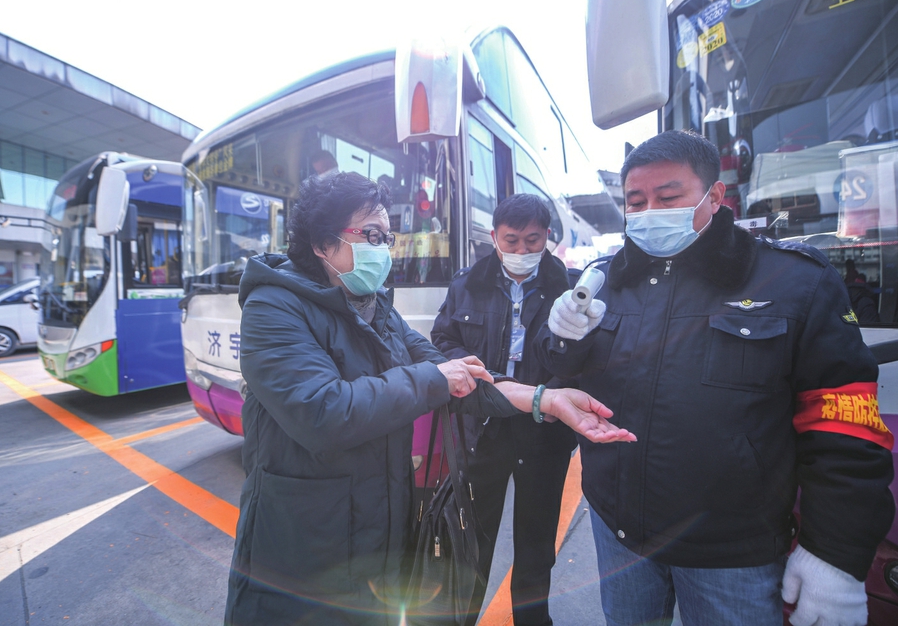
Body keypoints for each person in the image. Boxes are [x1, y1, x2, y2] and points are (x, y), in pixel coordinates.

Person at [224, 171, 635, 625]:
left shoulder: (376, 308)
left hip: (377, 535)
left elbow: (457, 374)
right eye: (372, 235)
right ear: (323, 244)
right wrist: (437, 378)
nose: (384, 249)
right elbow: (324, 412)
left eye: (387, 237)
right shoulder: (273, 308)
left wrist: (544, 399)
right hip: (304, 544)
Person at [535, 130, 895, 626]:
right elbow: (565, 369)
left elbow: (845, 429)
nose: (648, 213)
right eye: (636, 202)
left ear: (715, 196)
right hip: (620, 535)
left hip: (733, 554)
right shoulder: (607, 279)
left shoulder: (793, 282)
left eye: (668, 197)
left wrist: (835, 552)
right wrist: (561, 338)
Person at [431, 193, 577, 626]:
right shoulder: (466, 284)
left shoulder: (569, 288)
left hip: (543, 431)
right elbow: (442, 340)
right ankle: (459, 619)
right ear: (494, 237)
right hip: (483, 429)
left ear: (547, 237)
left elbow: (586, 358)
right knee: (471, 540)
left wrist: (555, 393)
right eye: (511, 241)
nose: (521, 251)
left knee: (536, 544)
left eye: (532, 241)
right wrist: (471, 371)